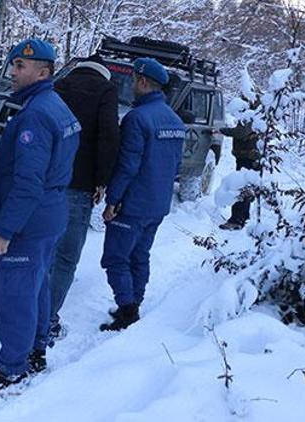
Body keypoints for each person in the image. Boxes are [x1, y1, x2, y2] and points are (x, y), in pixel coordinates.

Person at [0, 39, 80, 392]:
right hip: (50, 216)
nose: (13, 73)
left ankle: (13, 367)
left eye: (20, 67)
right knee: (37, 286)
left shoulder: (35, 114)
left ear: (43, 72)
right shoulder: (56, 105)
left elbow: (28, 182)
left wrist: (5, 229)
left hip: (30, 222)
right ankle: (36, 349)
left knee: (14, 294)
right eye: (13, 65)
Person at [99, 57, 185, 331]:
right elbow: (176, 166)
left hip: (132, 205)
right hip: (158, 205)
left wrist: (113, 200)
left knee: (115, 258)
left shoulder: (137, 119)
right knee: (140, 256)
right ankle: (134, 303)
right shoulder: (175, 120)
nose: (132, 84)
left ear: (143, 81)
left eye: (135, 79)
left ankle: (127, 310)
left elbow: (127, 165)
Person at [47, 56, 121, 343]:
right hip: (80, 183)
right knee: (66, 256)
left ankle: (32, 312)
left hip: (48, 179)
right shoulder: (106, 91)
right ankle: (48, 319)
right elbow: (109, 137)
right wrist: (102, 180)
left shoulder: (59, 85)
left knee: (43, 250)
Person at [219, 121, 259, 230]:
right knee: (246, 188)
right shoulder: (255, 111)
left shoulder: (249, 113)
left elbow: (241, 132)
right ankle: (243, 216)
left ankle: (236, 220)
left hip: (247, 158)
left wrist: (222, 130)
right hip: (249, 157)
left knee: (240, 188)